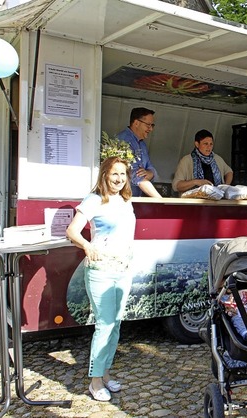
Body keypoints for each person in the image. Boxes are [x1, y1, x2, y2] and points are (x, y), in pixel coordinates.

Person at [66, 156, 136, 402]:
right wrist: (86, 245)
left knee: (115, 324)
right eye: (114, 173)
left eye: (123, 174)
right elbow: (72, 230)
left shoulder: (126, 201)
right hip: (101, 271)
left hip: (122, 269)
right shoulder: (94, 200)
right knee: (104, 325)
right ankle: (95, 382)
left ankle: (105, 374)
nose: (118, 179)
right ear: (105, 174)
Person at [117, 107, 162, 198]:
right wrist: (161, 200)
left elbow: (152, 170)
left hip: (137, 198)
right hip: (123, 199)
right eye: (148, 125)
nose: (151, 129)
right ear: (136, 123)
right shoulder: (123, 141)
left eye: (152, 125)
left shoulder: (142, 144)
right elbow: (136, 177)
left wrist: (150, 173)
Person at [172, 129, 233, 193]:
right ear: (197, 144)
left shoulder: (217, 158)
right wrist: (196, 182)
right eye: (205, 144)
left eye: (211, 144)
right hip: (195, 201)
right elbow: (176, 186)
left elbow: (229, 172)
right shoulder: (186, 160)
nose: (209, 147)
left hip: (217, 199)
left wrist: (226, 186)